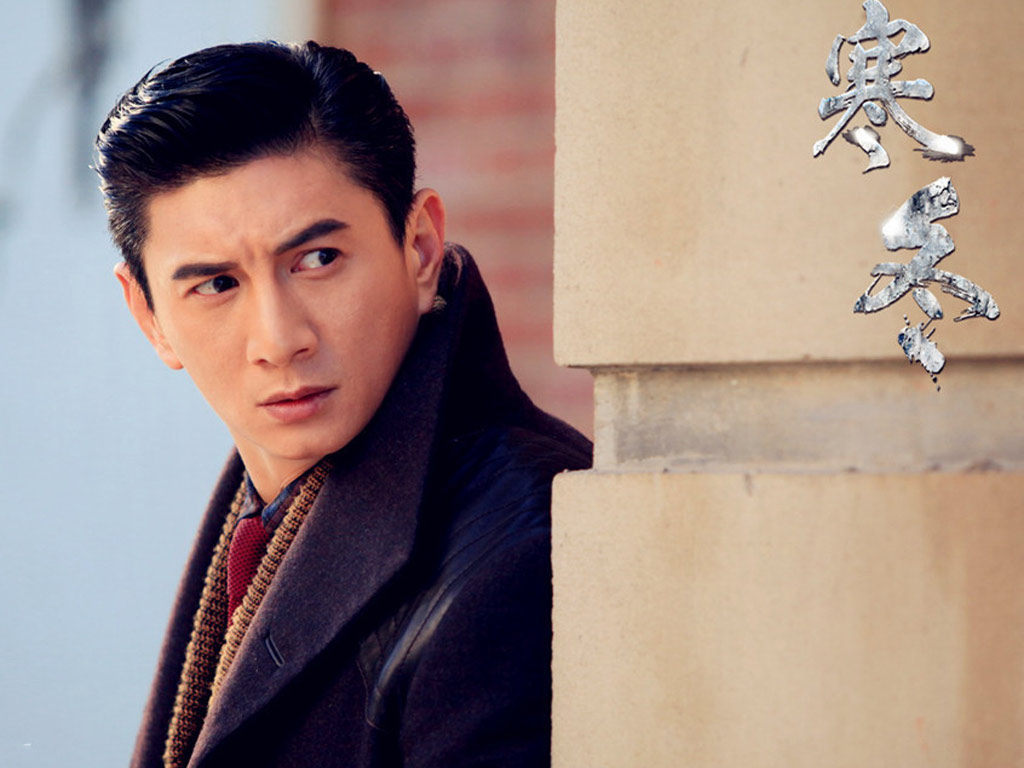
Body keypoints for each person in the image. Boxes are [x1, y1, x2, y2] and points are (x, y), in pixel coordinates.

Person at [95, 41, 590, 768]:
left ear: (420, 249)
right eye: (217, 285)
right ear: (150, 318)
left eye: (318, 260)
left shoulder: (523, 547)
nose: (279, 339)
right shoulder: (262, 510)